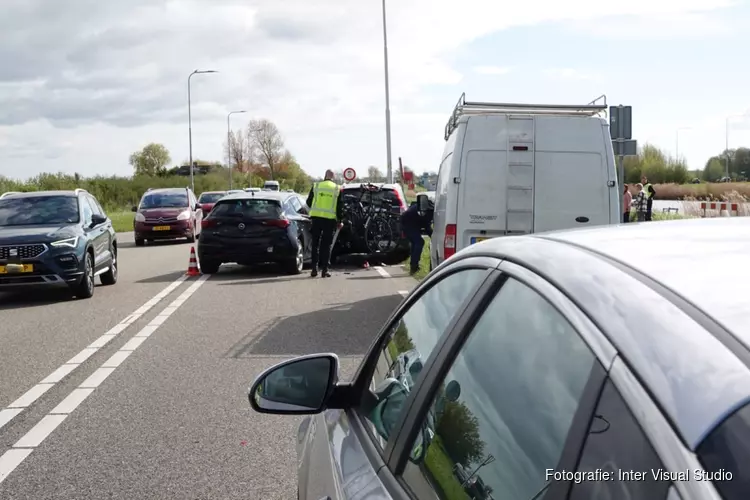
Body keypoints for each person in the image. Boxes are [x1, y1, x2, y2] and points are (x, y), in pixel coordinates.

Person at [306, 170, 344, 278]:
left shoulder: (316, 186)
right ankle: (325, 270)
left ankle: (314, 269)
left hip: (316, 218)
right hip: (329, 219)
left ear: (325, 175)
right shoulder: (337, 188)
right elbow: (339, 207)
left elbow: (308, 202)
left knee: (315, 244)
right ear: (333, 177)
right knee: (326, 245)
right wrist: (340, 221)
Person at [400, 198, 434, 275]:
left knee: (415, 242)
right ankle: (414, 266)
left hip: (406, 223)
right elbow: (427, 227)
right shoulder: (429, 211)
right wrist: (433, 237)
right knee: (419, 242)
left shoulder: (425, 207)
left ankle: (413, 265)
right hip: (408, 224)